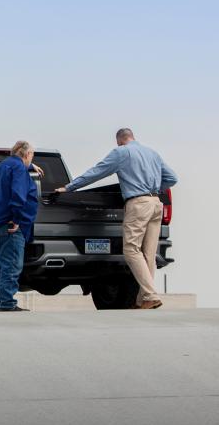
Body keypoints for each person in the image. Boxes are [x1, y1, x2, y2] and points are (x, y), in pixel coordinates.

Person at [56, 128, 178, 309]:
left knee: (131, 250)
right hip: (156, 203)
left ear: (119, 141)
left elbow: (97, 171)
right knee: (149, 255)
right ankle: (143, 299)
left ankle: (151, 295)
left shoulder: (122, 152)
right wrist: (154, 188)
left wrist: (70, 188)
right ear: (133, 137)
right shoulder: (152, 153)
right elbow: (172, 178)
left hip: (138, 204)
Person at [0, 141, 43, 311]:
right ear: (26, 155)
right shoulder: (18, 168)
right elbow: (18, 195)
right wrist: (18, 219)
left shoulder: (3, 166)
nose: (32, 158)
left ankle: (0, 303)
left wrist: (30, 164)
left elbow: (15, 165)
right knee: (11, 264)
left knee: (1, 265)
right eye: (32, 155)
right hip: (12, 224)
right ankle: (7, 304)